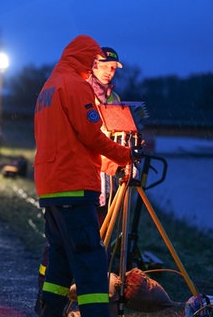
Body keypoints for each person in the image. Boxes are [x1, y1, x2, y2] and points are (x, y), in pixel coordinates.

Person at [34, 35, 139, 317]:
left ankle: (49, 311)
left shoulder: (48, 87)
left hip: (51, 187)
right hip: (74, 185)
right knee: (90, 260)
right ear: (84, 58)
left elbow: (64, 138)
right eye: (93, 61)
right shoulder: (75, 86)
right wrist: (126, 156)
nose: (95, 66)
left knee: (60, 258)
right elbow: (91, 136)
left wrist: (115, 164)